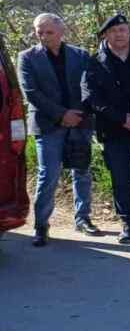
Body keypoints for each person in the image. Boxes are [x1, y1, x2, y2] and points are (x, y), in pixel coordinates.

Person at [17, 13, 98, 246]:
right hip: (48, 124)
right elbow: (31, 93)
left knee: (81, 171)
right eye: (38, 32)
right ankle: (41, 225)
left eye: (48, 32)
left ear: (61, 32)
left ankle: (83, 219)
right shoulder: (27, 58)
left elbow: (88, 86)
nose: (42, 36)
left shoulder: (80, 55)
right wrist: (62, 115)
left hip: (79, 122)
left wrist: (76, 114)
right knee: (48, 175)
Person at [82, 13, 130, 244]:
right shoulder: (94, 62)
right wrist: (121, 118)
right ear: (105, 35)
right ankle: (128, 223)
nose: (119, 34)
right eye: (114, 31)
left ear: (129, 32)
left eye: (123, 30)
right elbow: (90, 97)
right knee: (120, 179)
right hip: (113, 130)